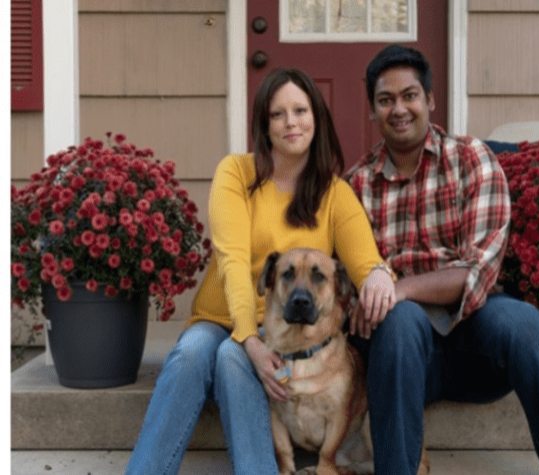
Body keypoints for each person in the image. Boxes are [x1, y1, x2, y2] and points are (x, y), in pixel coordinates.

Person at [344, 44, 539, 475]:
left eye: (409, 95)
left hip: (477, 341)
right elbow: (352, 283)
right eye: (385, 100)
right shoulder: (356, 185)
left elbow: (477, 273)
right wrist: (393, 299)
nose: (399, 109)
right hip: (403, 356)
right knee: (401, 320)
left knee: (526, 326)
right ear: (372, 110)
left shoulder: (472, 159)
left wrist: (399, 286)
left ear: (430, 100)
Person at [124, 68, 396, 475]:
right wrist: (250, 335)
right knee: (191, 355)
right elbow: (232, 259)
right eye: (278, 114)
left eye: (301, 110)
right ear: (263, 125)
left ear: (317, 119)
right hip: (222, 319)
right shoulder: (236, 173)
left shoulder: (335, 193)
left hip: (284, 329)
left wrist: (377, 273)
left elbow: (363, 262)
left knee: (233, 358)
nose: (291, 122)